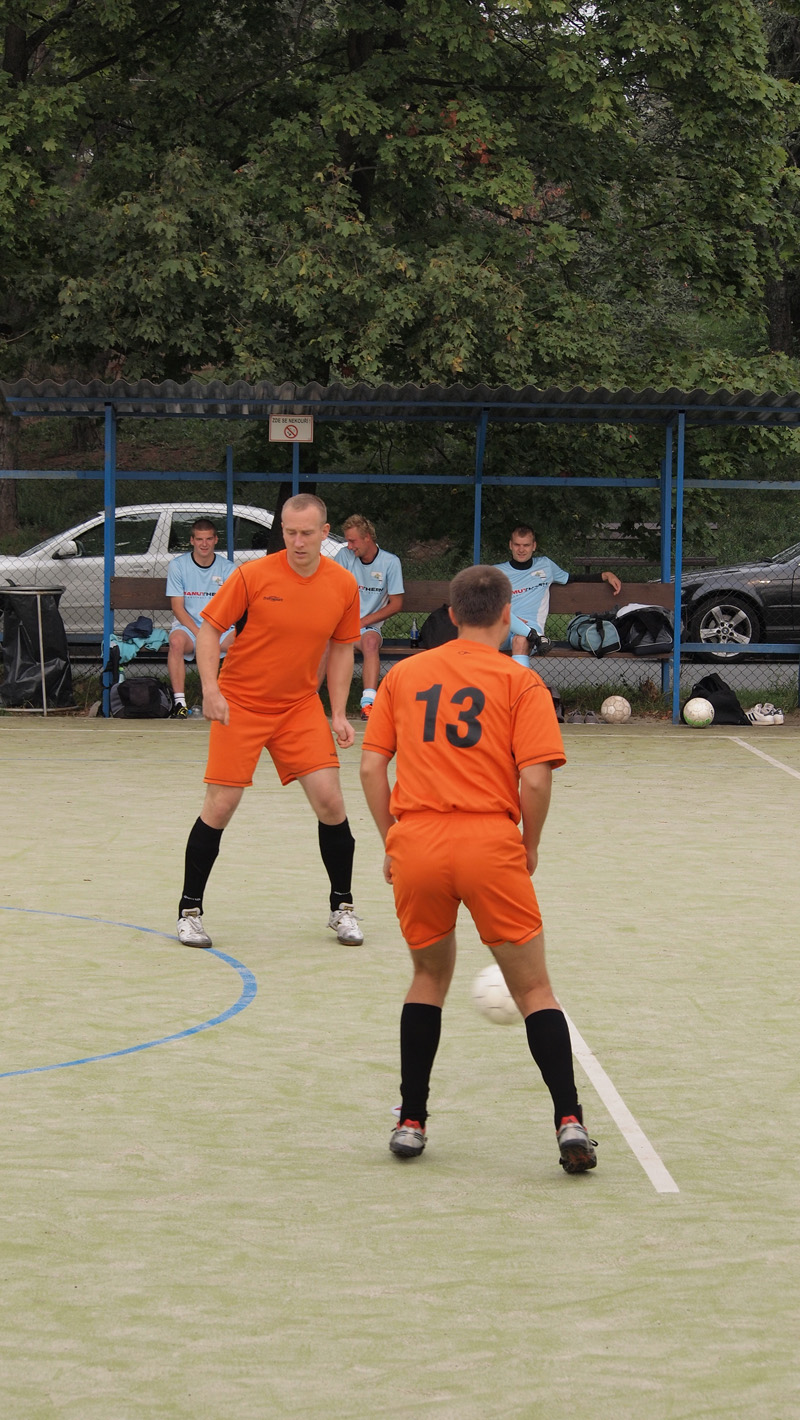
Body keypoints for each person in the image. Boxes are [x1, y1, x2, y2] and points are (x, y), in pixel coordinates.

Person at [359, 564, 597, 1174]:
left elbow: (370, 767)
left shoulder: (403, 675)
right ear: (507, 612)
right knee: (534, 990)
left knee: (427, 978)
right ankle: (569, 1120)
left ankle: (412, 1121)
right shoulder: (521, 682)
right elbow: (535, 779)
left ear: (451, 613)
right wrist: (529, 844)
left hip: (419, 843)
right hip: (490, 843)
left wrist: (392, 841)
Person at [175, 493, 365, 949]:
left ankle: (342, 907)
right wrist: (211, 689)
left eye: (307, 533)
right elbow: (208, 630)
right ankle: (189, 911)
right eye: (290, 532)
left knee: (330, 801)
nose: (298, 541)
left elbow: (342, 649)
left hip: (299, 707)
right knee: (220, 805)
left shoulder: (343, 584)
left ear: (325, 533)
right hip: (240, 703)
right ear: (282, 531)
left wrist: (339, 712)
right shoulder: (252, 575)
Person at [496, 524, 622, 669]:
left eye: (526, 545)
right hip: (503, 626)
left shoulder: (546, 565)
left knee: (520, 640)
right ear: (510, 545)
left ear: (534, 546)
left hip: (531, 628)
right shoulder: (496, 572)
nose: (521, 549)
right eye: (517, 545)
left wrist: (605, 575)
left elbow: (572, 578)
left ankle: (518, 682)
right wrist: (510, 620)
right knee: (482, 640)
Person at [333, 515, 404, 719]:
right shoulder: (344, 556)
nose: (349, 546)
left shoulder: (390, 562)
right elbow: (333, 592)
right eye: (347, 541)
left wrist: (362, 622)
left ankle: (368, 704)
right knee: (324, 644)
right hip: (342, 625)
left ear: (367, 538)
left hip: (368, 627)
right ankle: (308, 700)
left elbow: (396, 604)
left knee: (371, 642)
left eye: (352, 541)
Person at [166, 518, 237, 718]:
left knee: (243, 643)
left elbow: (232, 607)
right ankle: (180, 703)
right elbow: (177, 608)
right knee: (176, 642)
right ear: (192, 540)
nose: (204, 544)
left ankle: (232, 699)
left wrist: (213, 633)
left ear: (215, 540)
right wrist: (201, 634)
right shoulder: (178, 566)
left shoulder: (228, 568)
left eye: (208, 539)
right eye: (199, 539)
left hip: (220, 628)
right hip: (190, 629)